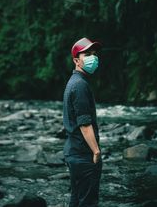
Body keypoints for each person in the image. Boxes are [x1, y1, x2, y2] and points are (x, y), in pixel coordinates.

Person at [63, 37, 102, 207]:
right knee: (88, 202)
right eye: (87, 54)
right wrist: (96, 151)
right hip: (83, 154)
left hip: (75, 152)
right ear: (76, 60)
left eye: (94, 54)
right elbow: (84, 124)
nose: (93, 57)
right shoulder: (79, 85)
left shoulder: (76, 82)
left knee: (77, 199)